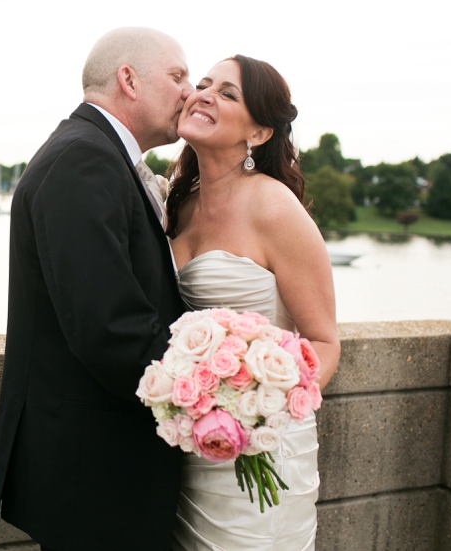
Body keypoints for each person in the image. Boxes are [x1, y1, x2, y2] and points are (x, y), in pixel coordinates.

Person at [0, 27, 194, 551]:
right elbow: (109, 329)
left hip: (97, 464)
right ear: (128, 79)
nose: (189, 92)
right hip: (94, 472)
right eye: (177, 76)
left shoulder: (97, 154)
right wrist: (212, 390)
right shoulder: (84, 159)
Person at [166, 55, 341, 551]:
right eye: (202, 84)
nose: (204, 94)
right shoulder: (181, 203)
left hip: (264, 443)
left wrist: (256, 411)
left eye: (227, 93)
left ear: (260, 133)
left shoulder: (274, 207)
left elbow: (326, 341)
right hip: (192, 441)